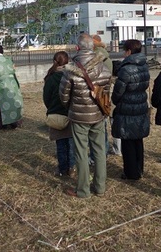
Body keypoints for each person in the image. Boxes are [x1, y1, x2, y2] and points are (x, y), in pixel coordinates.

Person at [59, 33, 112, 198]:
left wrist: (71, 107)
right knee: (99, 150)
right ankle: (100, 187)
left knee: (81, 152)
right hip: (98, 115)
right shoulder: (104, 67)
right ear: (93, 48)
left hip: (79, 116)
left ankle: (83, 190)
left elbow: (63, 96)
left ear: (77, 48)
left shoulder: (70, 70)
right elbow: (106, 93)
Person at [111, 39, 150, 180]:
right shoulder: (144, 66)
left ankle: (130, 172)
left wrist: (114, 100)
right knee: (138, 141)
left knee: (127, 142)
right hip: (140, 105)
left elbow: (118, 92)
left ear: (128, 51)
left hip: (127, 108)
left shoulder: (126, 69)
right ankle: (139, 169)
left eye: (124, 50)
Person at [43, 51, 76, 177]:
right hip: (71, 114)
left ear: (54, 61)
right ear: (67, 62)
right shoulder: (72, 76)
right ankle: (72, 167)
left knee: (60, 144)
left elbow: (46, 98)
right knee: (71, 144)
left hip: (56, 114)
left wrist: (52, 107)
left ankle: (62, 169)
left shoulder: (50, 78)